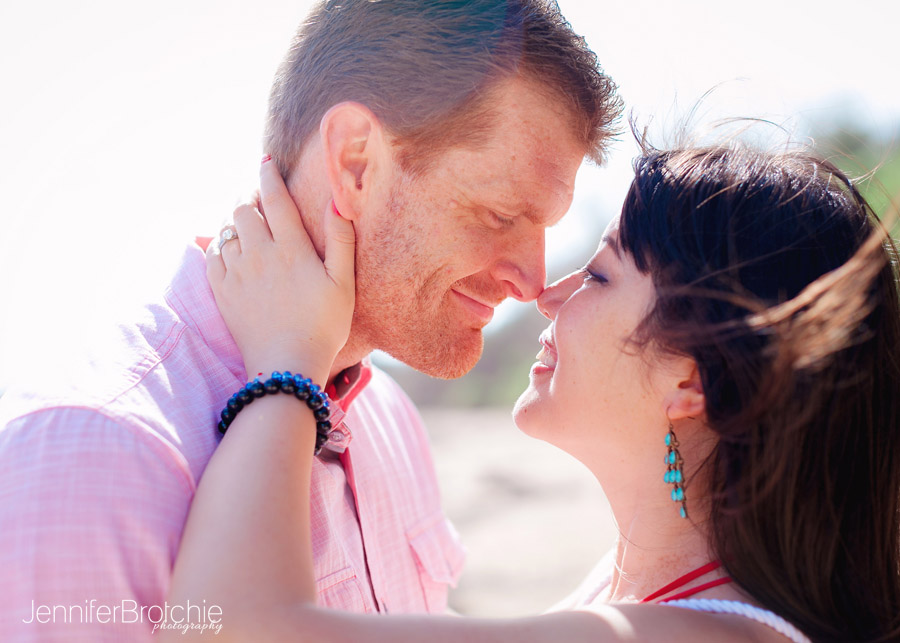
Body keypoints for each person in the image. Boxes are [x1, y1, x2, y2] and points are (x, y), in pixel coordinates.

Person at [0, 0, 621, 639]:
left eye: (544, 230)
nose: (532, 282)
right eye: (498, 215)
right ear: (355, 163)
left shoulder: (387, 421)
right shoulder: (86, 453)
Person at [166, 141, 900, 642]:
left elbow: (230, 625)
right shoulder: (643, 590)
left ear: (690, 378)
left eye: (602, 274)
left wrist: (288, 360)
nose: (549, 292)